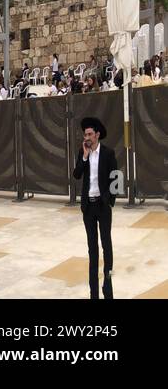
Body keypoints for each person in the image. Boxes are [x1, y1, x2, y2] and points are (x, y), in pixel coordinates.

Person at [74, 116, 118, 299]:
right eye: (85, 134)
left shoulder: (108, 153)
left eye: (90, 134)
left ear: (97, 135)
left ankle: (107, 288)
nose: (87, 137)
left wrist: (110, 201)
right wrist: (84, 157)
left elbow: (117, 179)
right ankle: (93, 294)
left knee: (106, 245)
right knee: (92, 249)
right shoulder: (83, 152)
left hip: (102, 206)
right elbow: (76, 175)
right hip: (89, 208)